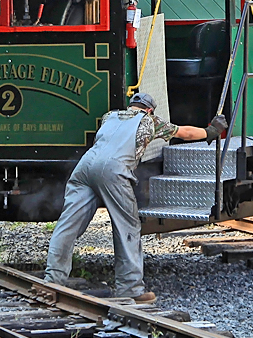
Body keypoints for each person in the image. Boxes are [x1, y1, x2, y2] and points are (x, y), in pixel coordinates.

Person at [44, 92, 227, 304]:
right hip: (114, 169)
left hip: (85, 166)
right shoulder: (150, 121)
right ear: (150, 109)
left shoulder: (110, 116)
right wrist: (211, 131)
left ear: (131, 106)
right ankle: (130, 287)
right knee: (127, 227)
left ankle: (52, 280)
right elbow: (184, 133)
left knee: (68, 224)